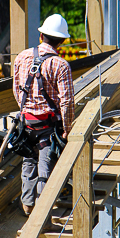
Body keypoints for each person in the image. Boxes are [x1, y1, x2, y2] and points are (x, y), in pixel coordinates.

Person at [12, 14, 75, 216]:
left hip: (26, 122)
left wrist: (26, 109)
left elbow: (16, 90)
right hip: (47, 125)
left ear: (41, 36)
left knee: (29, 161)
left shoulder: (22, 56)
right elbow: (66, 101)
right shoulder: (61, 65)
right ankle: (44, 209)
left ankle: (28, 205)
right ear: (62, 41)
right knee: (45, 164)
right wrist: (67, 128)